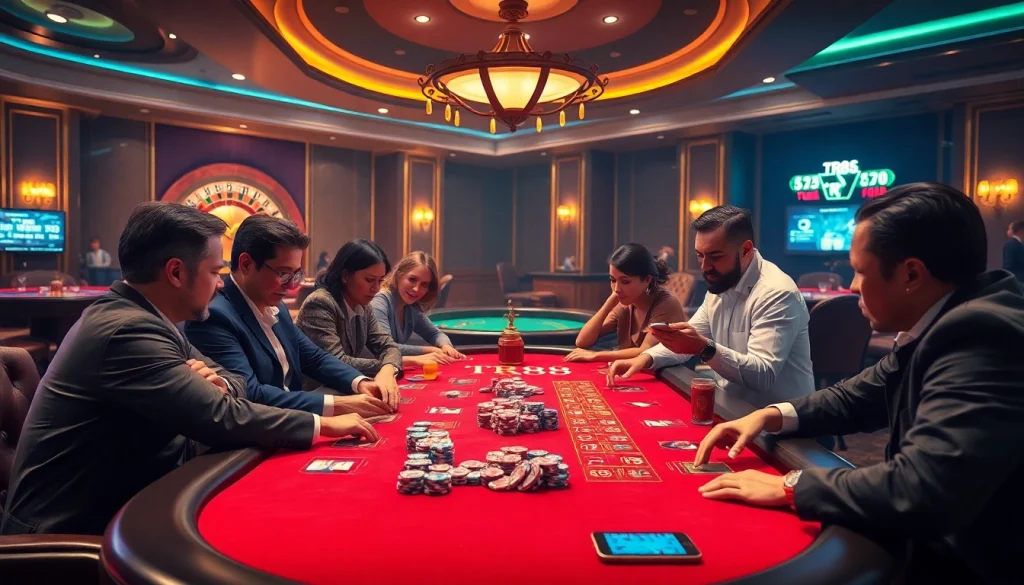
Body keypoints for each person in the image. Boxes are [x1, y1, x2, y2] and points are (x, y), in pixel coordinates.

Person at [692, 183, 1024, 584]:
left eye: (860, 271)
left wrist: (792, 485)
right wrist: (769, 415)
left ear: (911, 274)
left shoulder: (982, 335)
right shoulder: (949, 321)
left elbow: (922, 489)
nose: (851, 286)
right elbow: (857, 396)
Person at [0, 203, 378, 536]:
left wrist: (218, 385)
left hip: (127, 502)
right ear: (176, 272)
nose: (220, 284)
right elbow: (219, 415)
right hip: (65, 538)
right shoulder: (126, 330)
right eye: (214, 271)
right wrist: (323, 424)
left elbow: (233, 383)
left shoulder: (150, 319)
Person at [185, 215, 399, 416]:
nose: (291, 285)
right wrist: (338, 405)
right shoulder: (215, 316)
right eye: (283, 273)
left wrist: (360, 382)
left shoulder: (277, 306)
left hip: (296, 418)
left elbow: (314, 358)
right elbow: (250, 393)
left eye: (295, 274)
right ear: (246, 264)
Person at [606, 206, 814, 410]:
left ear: (746, 250)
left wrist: (704, 348)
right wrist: (645, 358)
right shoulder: (720, 284)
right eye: (700, 255)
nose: (705, 266)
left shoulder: (776, 293)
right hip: (730, 411)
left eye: (715, 256)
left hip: (782, 426)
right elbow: (685, 342)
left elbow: (763, 375)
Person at [296, 239, 403, 380]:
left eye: (380, 281)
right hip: (316, 389)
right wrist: (387, 366)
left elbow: (389, 346)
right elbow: (337, 362)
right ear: (345, 276)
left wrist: (388, 367)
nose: (376, 288)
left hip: (347, 384)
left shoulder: (364, 306)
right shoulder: (320, 303)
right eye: (369, 280)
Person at [565, 243, 685, 362]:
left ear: (647, 280)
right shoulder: (625, 304)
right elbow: (582, 341)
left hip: (674, 371)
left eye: (625, 281)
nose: (617, 288)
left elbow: (646, 351)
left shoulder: (666, 303)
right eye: (613, 280)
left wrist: (595, 355)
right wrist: (608, 304)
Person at [371, 251, 465, 367]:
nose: (416, 289)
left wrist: (446, 346)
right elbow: (385, 348)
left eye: (424, 285)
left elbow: (434, 334)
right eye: (412, 279)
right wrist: (429, 350)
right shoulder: (379, 302)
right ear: (399, 274)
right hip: (365, 372)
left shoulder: (410, 306)